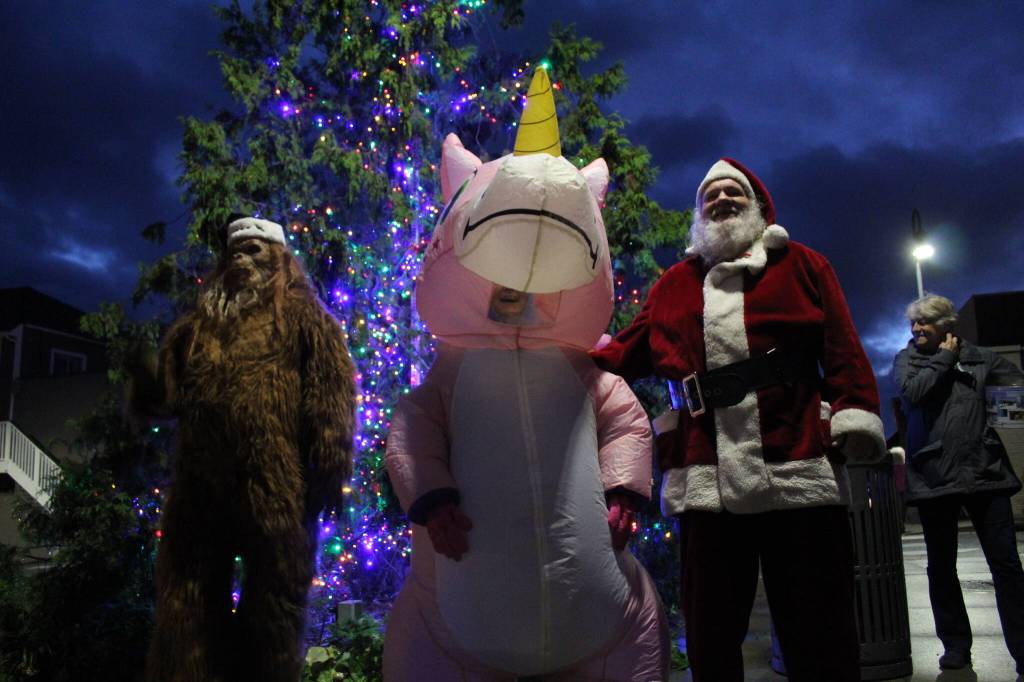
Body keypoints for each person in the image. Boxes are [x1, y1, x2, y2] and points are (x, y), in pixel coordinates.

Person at [383, 69, 668, 682]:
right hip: (457, 615)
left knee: (636, 632)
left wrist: (623, 489)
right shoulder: (449, 376)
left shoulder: (587, 374)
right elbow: (411, 432)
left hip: (597, 615)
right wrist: (433, 497)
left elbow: (626, 424)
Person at [592, 158, 885, 682]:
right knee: (711, 627)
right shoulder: (673, 285)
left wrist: (853, 412)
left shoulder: (803, 265)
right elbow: (624, 352)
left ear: (759, 206)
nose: (722, 199)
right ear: (699, 213)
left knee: (818, 624)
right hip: (705, 472)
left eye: (734, 192)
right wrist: (561, 353)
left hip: (795, 461)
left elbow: (842, 346)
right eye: (711, 195)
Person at [893, 293, 1024, 674]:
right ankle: (955, 648)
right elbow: (913, 393)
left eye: (924, 321)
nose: (916, 328)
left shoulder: (981, 358)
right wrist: (944, 360)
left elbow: (1014, 390)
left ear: (946, 325)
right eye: (913, 322)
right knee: (941, 567)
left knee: (1007, 566)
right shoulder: (907, 360)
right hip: (934, 477)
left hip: (986, 473)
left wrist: (999, 416)